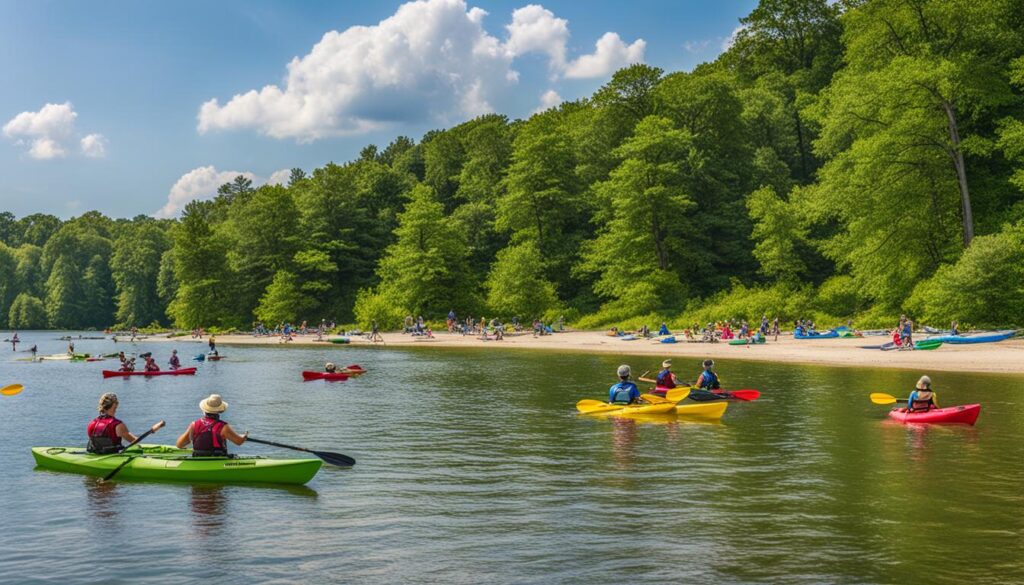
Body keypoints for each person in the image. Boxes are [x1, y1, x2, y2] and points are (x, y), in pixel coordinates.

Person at [176, 394, 248, 456]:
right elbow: (239, 442)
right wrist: (243, 437)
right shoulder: (224, 427)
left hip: (198, 459)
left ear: (204, 410)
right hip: (218, 460)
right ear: (219, 411)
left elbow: (179, 444)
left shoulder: (194, 425)